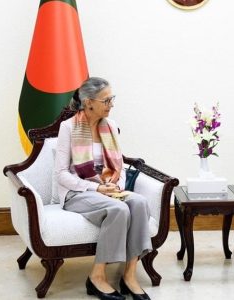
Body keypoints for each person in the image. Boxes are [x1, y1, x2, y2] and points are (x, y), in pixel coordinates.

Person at [54, 77, 152, 300]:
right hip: (78, 193)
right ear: (88, 102)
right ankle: (97, 277)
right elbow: (61, 174)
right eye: (106, 100)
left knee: (139, 202)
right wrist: (95, 188)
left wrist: (115, 184)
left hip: (109, 189)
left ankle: (129, 276)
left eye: (112, 99)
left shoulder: (112, 126)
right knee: (119, 210)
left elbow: (120, 165)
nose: (111, 104)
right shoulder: (68, 128)